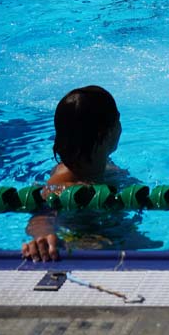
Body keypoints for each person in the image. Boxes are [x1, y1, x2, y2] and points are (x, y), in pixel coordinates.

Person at [22, 86, 124, 262]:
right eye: (118, 120)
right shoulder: (64, 183)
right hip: (78, 238)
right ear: (107, 133)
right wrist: (44, 236)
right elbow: (42, 216)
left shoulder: (106, 166)